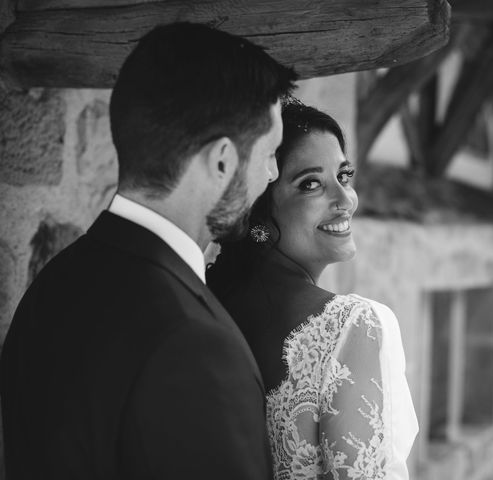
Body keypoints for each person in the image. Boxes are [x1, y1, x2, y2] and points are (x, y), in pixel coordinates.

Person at [0, 23, 296, 479]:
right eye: (270, 153)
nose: (273, 174)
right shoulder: (197, 344)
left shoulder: (48, 287)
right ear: (222, 161)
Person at [207, 101, 418, 480]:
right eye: (311, 184)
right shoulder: (352, 327)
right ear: (259, 209)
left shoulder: (205, 302)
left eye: (344, 175)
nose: (345, 200)